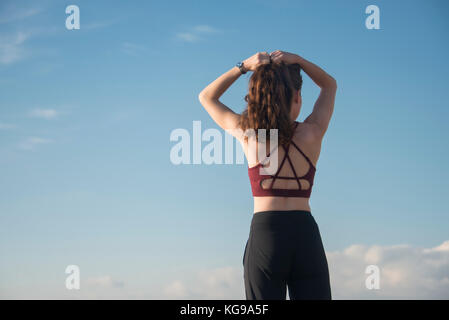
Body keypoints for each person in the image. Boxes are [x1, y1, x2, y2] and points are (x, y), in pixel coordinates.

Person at [198, 50, 337, 300]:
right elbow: (329, 85)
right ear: (297, 97)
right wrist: (300, 61)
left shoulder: (249, 134)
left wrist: (243, 66)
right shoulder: (313, 132)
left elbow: (207, 97)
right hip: (305, 234)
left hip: (267, 233)